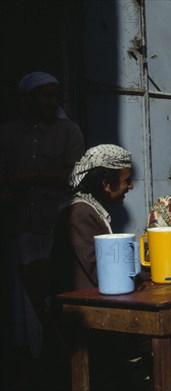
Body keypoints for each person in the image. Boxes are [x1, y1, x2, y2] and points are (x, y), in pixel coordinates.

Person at [0, 71, 85, 364]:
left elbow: (76, 174)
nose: (52, 102)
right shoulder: (8, 134)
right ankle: (28, 358)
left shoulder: (69, 131)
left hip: (55, 227)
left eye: (55, 96)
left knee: (56, 291)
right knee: (23, 297)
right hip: (21, 226)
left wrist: (30, 176)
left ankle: (57, 357)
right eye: (45, 96)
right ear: (28, 98)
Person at [51, 144, 134, 292]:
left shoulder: (92, 210)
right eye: (126, 181)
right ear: (106, 185)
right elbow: (103, 272)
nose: (131, 186)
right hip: (82, 306)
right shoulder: (80, 214)